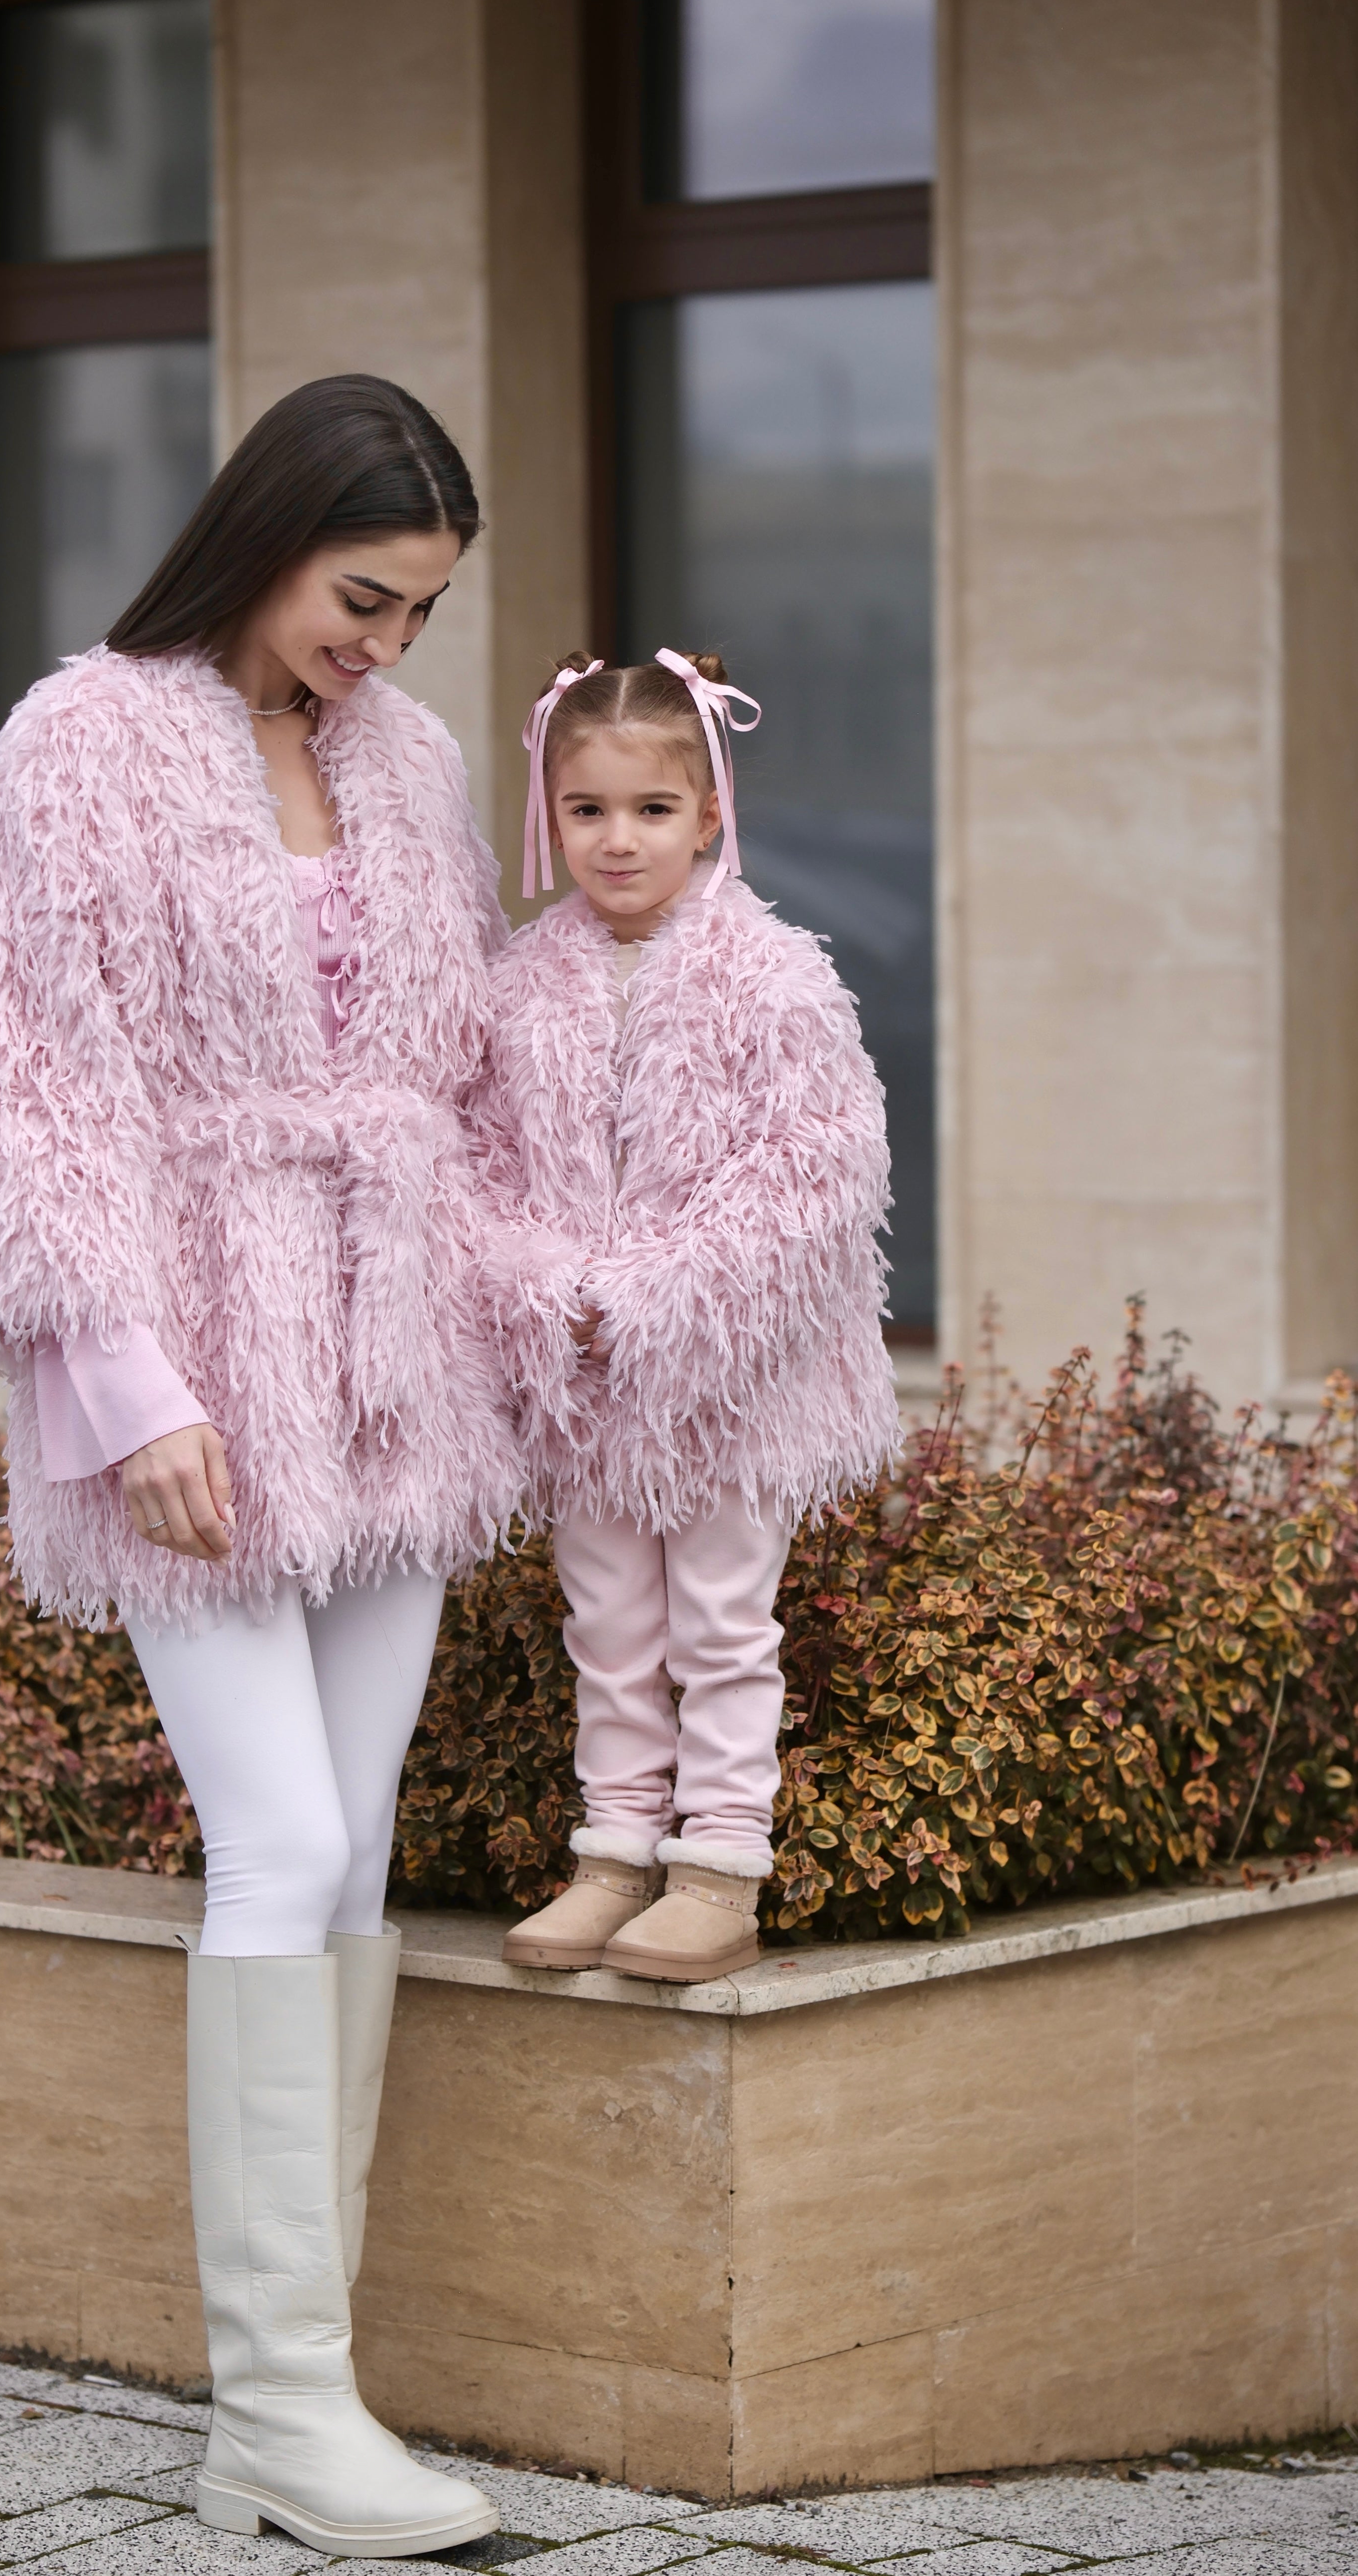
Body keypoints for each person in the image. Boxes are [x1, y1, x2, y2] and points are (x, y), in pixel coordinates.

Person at [0, 377, 516, 2557]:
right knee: (279, 1835)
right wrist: (132, 1387)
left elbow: (455, 1056)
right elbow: (21, 1089)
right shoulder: (81, 741)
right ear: (270, 531)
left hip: (395, 1366)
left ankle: (305, 2407)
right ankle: (282, 2410)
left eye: (418, 615)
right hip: (196, 1368)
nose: (385, 648)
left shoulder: (405, 761)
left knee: (358, 1854)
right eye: (365, 597)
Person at [471, 650, 898, 1984]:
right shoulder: (517, 986)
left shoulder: (772, 976)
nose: (619, 839)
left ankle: (718, 1866)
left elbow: (817, 1173)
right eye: (588, 808)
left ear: (709, 813)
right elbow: (476, 1169)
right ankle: (611, 1852)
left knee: (720, 1622)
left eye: (652, 809)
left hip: (726, 1382)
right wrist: (552, 1291)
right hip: (586, 1383)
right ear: (549, 813)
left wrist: (659, 1295)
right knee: (606, 1623)